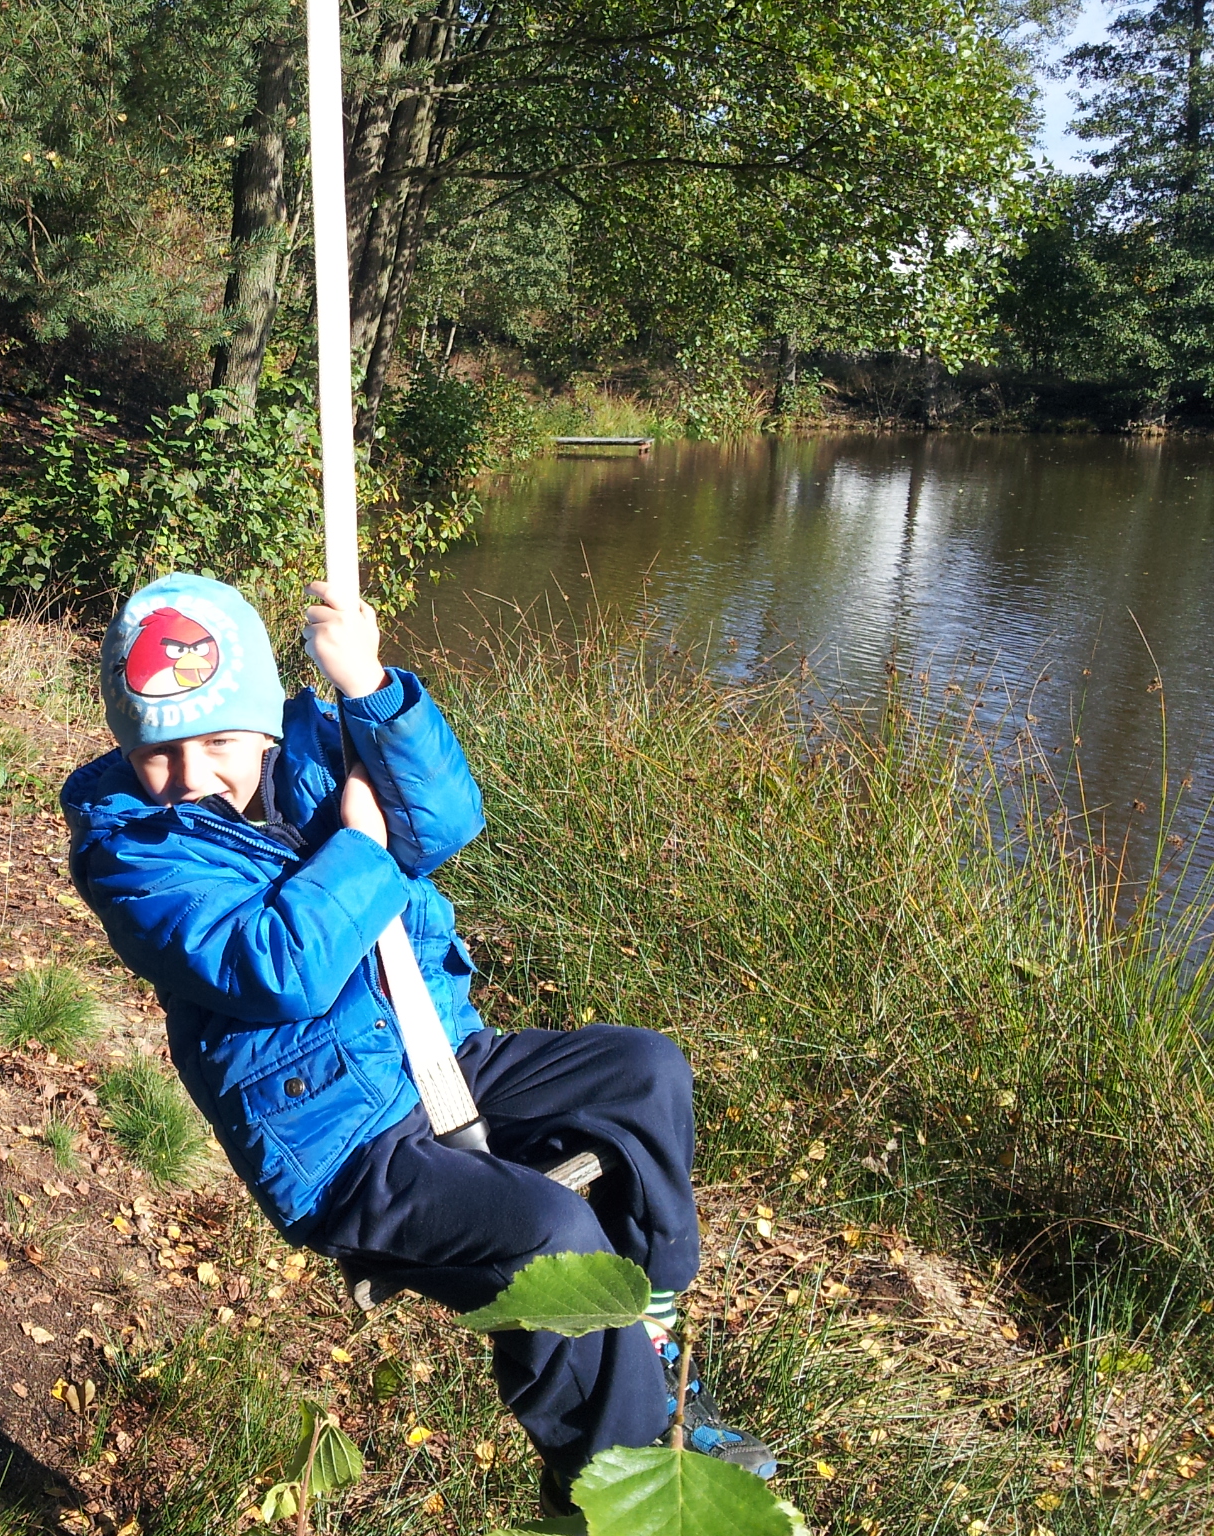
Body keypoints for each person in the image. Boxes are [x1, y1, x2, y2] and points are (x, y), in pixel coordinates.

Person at [59, 573, 776, 1512]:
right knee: (552, 1237)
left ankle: (651, 1327)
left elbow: (444, 820)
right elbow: (277, 969)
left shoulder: (321, 743)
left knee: (642, 1072)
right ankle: (620, 1480)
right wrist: (360, 848)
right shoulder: (133, 852)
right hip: (341, 1144)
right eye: (160, 751)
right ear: (123, 745)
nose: (194, 774)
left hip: (437, 1053)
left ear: (264, 725)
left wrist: (368, 687)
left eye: (221, 740)